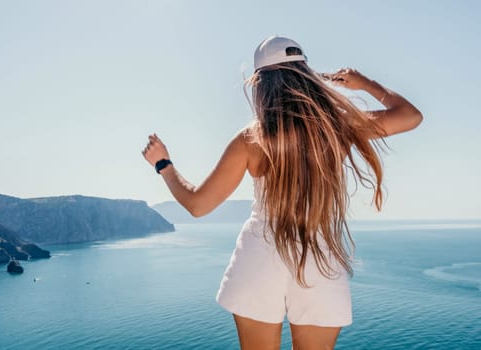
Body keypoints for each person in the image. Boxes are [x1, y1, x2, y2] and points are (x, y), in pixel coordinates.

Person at [141, 36, 422, 350]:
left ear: (260, 83)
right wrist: (365, 83)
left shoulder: (252, 138)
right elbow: (410, 116)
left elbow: (197, 204)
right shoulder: (338, 128)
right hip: (319, 259)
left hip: (260, 255)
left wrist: (163, 164)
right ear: (306, 75)